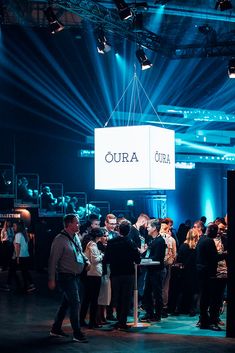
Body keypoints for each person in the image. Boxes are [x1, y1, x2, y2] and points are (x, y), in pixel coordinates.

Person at [48, 214, 90, 343]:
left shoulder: (75, 236)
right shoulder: (59, 240)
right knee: (75, 303)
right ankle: (77, 333)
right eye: (76, 223)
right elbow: (52, 261)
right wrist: (51, 279)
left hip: (75, 276)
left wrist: (86, 261)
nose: (79, 225)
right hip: (66, 277)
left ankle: (55, 328)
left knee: (66, 303)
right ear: (69, 224)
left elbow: (79, 252)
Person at [105, 220, 141, 330]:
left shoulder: (111, 242)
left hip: (115, 273)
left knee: (117, 297)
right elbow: (138, 260)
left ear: (119, 230)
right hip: (128, 273)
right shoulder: (131, 243)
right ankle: (122, 322)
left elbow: (106, 259)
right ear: (129, 231)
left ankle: (119, 320)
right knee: (126, 298)